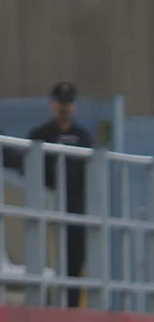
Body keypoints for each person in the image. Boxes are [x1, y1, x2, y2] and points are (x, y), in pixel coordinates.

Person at [21, 84, 93, 306]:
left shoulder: (83, 138)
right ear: (53, 105)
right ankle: (45, 303)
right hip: (48, 204)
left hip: (75, 206)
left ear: (74, 106)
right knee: (46, 258)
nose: (65, 108)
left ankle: (70, 306)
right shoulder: (40, 136)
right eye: (61, 103)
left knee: (74, 258)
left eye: (68, 104)